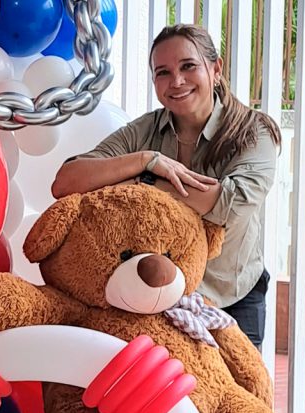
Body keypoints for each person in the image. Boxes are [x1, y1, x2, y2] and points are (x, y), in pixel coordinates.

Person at [51, 23, 280, 349]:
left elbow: (231, 206)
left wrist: (143, 181)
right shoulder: (145, 131)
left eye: (188, 66)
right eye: (163, 72)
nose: (177, 81)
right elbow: (66, 182)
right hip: (163, 297)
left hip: (232, 294)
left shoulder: (254, 131)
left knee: (243, 397)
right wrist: (146, 158)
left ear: (216, 69)